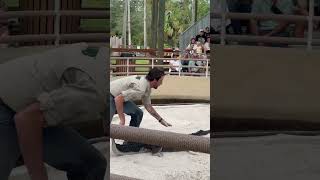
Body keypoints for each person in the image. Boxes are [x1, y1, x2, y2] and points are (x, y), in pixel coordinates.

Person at [0, 43, 108, 180]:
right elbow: (26, 119)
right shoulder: (95, 92)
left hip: (28, 100)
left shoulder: (103, 56)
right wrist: (39, 175)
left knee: (91, 164)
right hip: (8, 103)